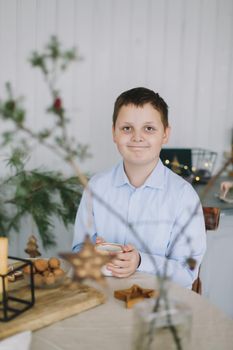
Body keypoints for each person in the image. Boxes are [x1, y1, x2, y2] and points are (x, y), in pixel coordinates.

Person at [72, 87, 206, 289]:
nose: (137, 137)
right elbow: (78, 250)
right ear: (114, 133)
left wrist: (141, 262)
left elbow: (188, 272)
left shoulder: (183, 197)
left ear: (165, 134)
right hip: (102, 297)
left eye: (149, 128)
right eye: (127, 128)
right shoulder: (96, 187)